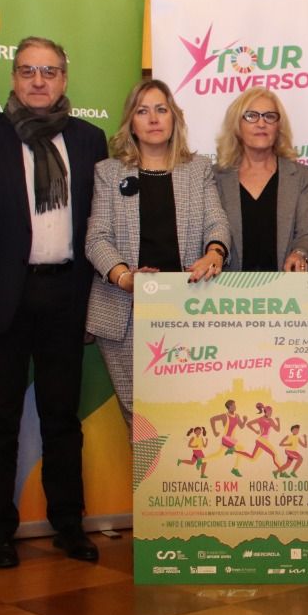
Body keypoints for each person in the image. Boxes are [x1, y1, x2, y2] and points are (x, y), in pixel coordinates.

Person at [0, 36, 108, 568]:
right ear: (13, 78)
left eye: (49, 71)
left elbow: (102, 224)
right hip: (3, 297)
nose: (38, 81)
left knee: (62, 418)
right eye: (28, 71)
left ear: (64, 79)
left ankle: (69, 524)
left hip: (66, 293)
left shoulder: (90, 140)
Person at [86, 79, 230, 424]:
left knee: (188, 418)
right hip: (126, 310)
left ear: (174, 118)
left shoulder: (197, 170)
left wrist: (215, 253)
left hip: (188, 310)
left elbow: (217, 222)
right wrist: (124, 277)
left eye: (161, 110)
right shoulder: (108, 172)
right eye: (142, 111)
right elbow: (96, 238)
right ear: (131, 122)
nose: (153, 118)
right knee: (141, 422)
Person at [210, 87, 308, 273]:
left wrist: (301, 254)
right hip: (227, 288)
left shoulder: (302, 176)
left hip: (284, 287)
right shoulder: (214, 177)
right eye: (251, 116)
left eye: (270, 116)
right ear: (237, 126)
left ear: (278, 127)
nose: (261, 123)